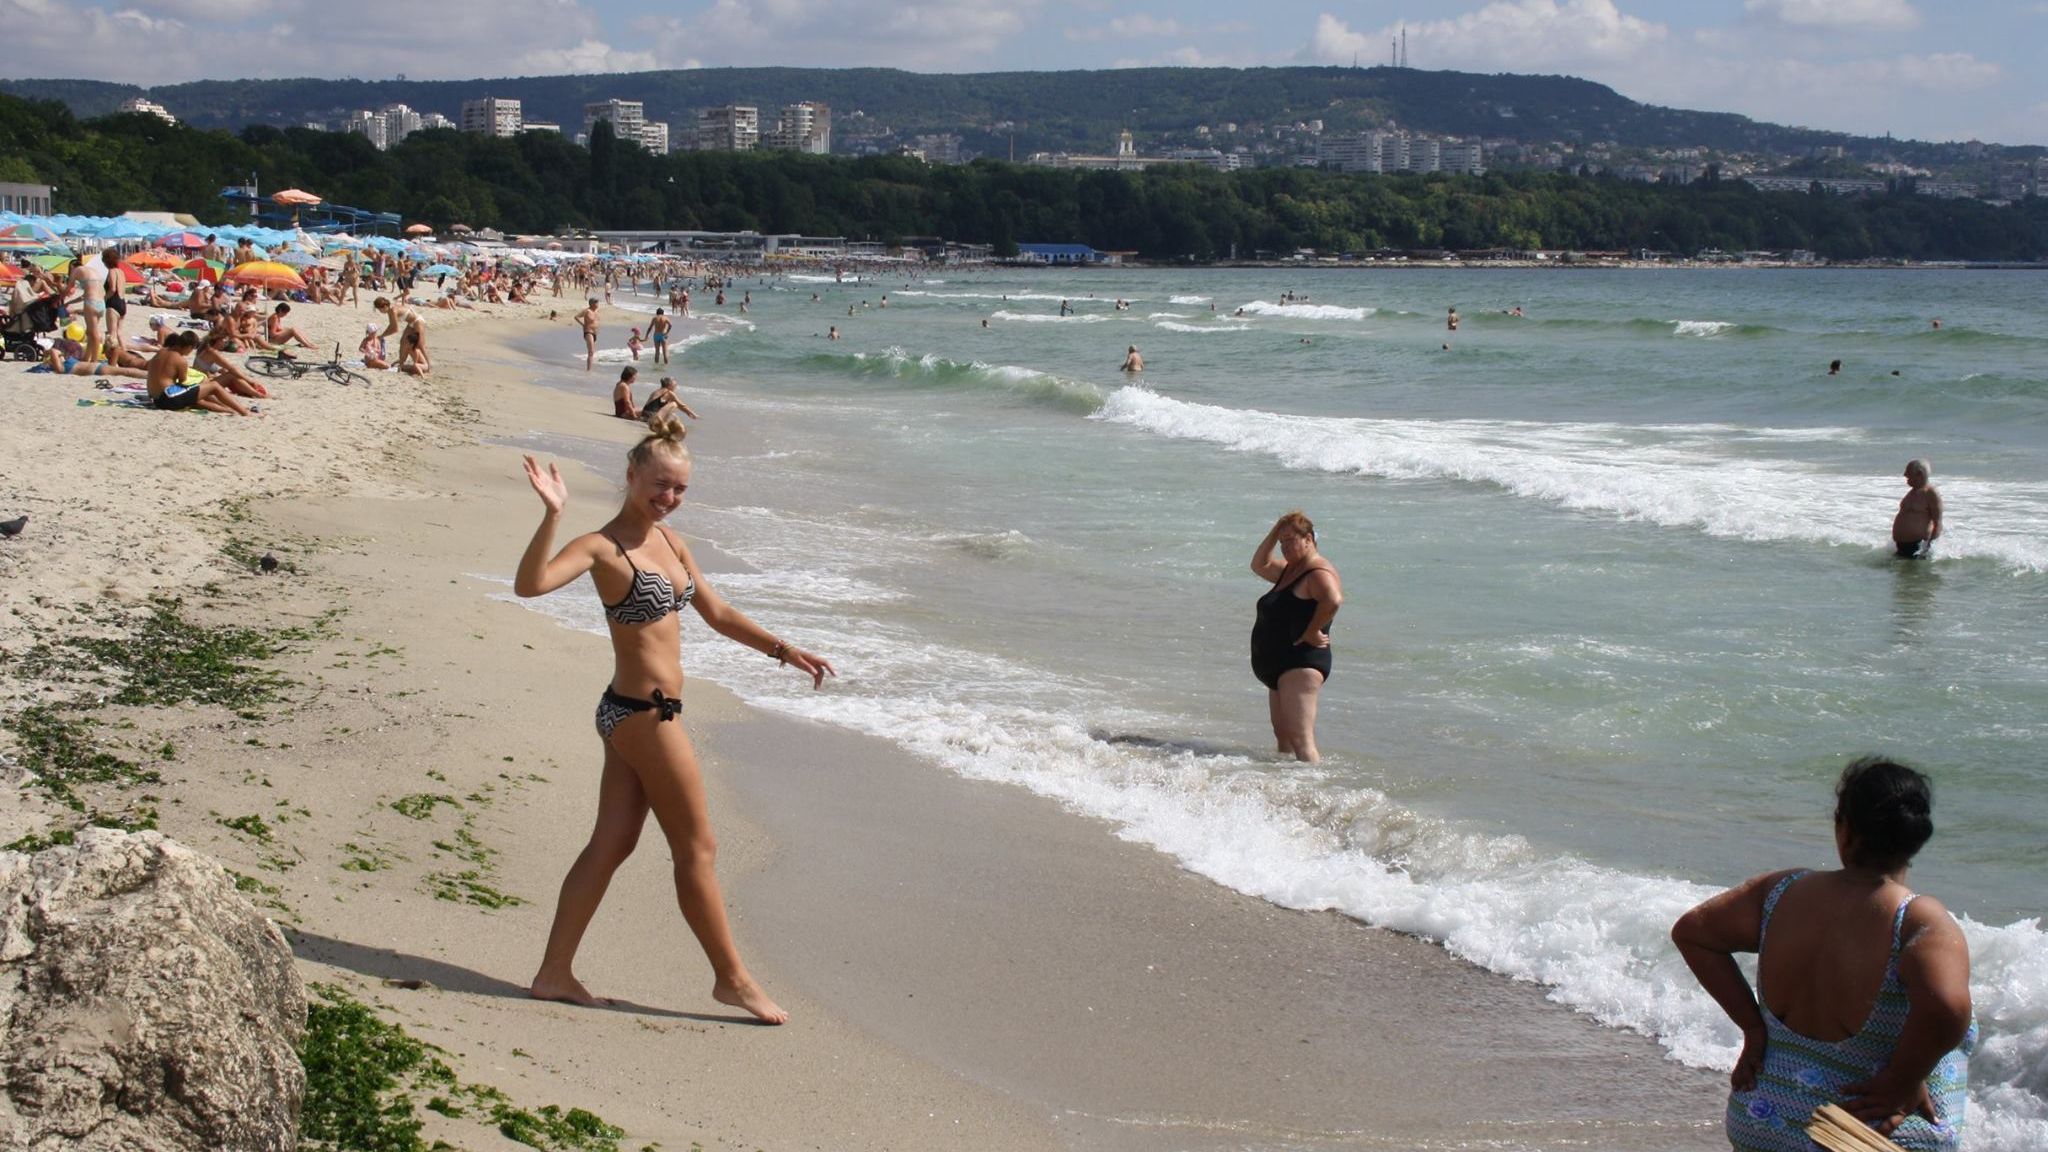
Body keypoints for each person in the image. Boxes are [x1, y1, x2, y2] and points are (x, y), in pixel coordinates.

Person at [513, 418, 834, 1022]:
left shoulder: (673, 541)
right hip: (644, 717)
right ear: (632, 476)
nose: (669, 497)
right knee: (698, 848)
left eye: (680, 489)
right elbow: (530, 586)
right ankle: (731, 979)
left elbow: (717, 612)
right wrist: (552, 515)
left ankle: (554, 973)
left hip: (629, 712)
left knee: (611, 844)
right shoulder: (601, 547)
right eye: (660, 485)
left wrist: (785, 650)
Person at [1672, 757, 1975, 1151]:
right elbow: (1949, 1009)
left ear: (1844, 829)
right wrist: (1903, 1078)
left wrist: (1753, 1028)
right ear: (1917, 837)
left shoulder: (1779, 892)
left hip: (1764, 1115)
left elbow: (1693, 934)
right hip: (1862, 1129)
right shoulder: (1916, 920)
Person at [1248, 512, 1342, 762]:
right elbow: (1259, 564)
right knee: (1284, 736)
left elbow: (1333, 600)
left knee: (1301, 741)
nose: (1285, 547)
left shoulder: (1317, 571)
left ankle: (1313, 794)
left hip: (1300, 664)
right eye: (1282, 542)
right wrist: (1276, 528)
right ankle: (1285, 789)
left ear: (1309, 539)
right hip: (1279, 666)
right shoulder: (1289, 570)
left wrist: (1312, 631)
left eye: (1290, 540)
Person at [147, 331, 254, 416]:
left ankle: (230, 410)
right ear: (189, 347)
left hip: (157, 400)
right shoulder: (180, 360)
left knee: (196, 398)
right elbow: (183, 381)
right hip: (169, 396)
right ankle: (245, 412)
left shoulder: (160, 352)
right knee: (214, 386)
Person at [1892, 460, 1942, 559]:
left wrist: (1928, 549)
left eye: (1908, 472)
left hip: (1917, 548)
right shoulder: (1912, 493)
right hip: (1901, 546)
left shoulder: (1930, 493)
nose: (1904, 474)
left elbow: (1938, 523)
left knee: (1911, 574)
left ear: (1919, 473)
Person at [67, 248, 109, 362]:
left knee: (94, 334)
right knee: (90, 332)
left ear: (72, 266)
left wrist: (60, 298)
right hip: (101, 303)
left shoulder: (76, 270)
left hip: (91, 303)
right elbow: (84, 295)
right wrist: (70, 302)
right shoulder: (92, 271)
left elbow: (68, 289)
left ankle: (94, 360)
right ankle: (87, 358)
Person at [577, 298, 601, 372]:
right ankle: (588, 370)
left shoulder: (596, 311)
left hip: (595, 333)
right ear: (592, 304)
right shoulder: (587, 311)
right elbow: (576, 317)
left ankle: (589, 368)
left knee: (591, 352)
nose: (598, 304)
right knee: (591, 351)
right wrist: (583, 325)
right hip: (588, 332)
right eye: (596, 303)